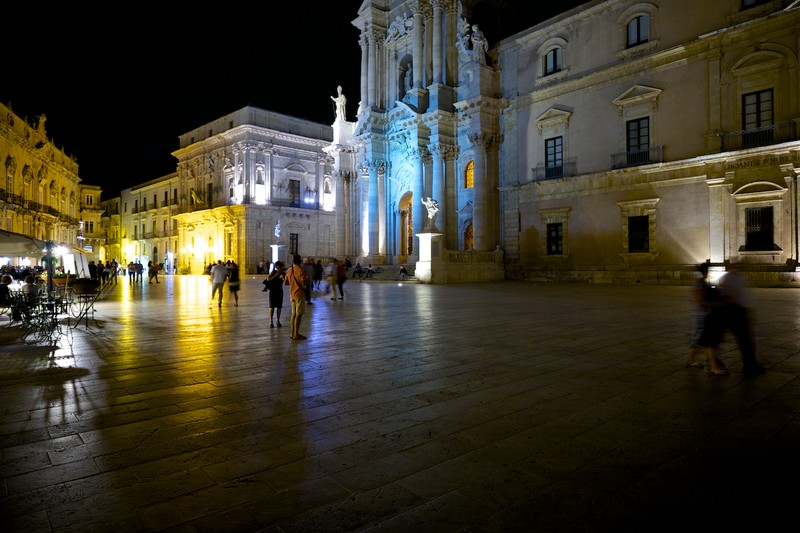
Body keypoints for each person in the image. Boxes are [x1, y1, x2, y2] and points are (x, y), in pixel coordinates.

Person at [718, 264, 765, 376]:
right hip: (735, 311)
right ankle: (750, 367)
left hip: (738, 310)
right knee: (745, 341)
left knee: (743, 340)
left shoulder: (734, 277)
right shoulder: (730, 278)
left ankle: (750, 365)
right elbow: (730, 295)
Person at [684, 263, 727, 375]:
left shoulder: (702, 283)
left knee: (699, 339)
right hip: (702, 316)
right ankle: (713, 366)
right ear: (705, 272)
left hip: (704, 315)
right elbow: (700, 301)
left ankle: (691, 359)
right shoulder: (699, 284)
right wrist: (716, 304)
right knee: (704, 339)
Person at [284, 254, 310, 340]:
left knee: (293, 314)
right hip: (299, 295)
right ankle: (296, 334)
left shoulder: (288, 270)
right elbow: (304, 283)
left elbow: (286, 283)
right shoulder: (301, 270)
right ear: (300, 261)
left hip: (292, 295)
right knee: (298, 315)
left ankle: (292, 333)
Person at [266, 261, 285, 328]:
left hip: (279, 291)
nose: (279, 269)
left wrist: (283, 277)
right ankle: (271, 321)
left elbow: (285, 281)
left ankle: (278, 320)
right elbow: (268, 279)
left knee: (279, 307)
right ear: (276, 267)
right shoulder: (274, 272)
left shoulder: (283, 273)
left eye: (280, 267)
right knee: (272, 307)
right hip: (273, 291)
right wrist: (276, 275)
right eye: (278, 268)